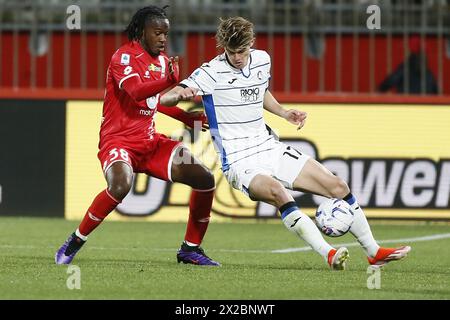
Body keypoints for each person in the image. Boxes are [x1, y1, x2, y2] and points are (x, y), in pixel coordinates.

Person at [160, 16, 411, 270]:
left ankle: (374, 251)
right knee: (280, 193)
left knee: (337, 185)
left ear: (252, 44)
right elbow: (165, 98)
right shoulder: (209, 72)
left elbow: (261, 91)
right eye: (232, 52)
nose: (237, 57)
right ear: (223, 47)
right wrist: (180, 93)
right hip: (238, 160)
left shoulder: (261, 60)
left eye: (242, 51)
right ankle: (329, 253)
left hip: (270, 147)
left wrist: (283, 112)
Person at [55, 6, 220, 266]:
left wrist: (186, 118)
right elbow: (135, 91)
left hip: (150, 143)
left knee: (204, 179)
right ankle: (76, 240)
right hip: (118, 141)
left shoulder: (163, 62)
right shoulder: (123, 57)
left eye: (166, 33)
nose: (163, 39)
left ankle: (190, 249)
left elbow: (155, 102)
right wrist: (168, 82)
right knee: (120, 186)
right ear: (143, 32)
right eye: (158, 33)